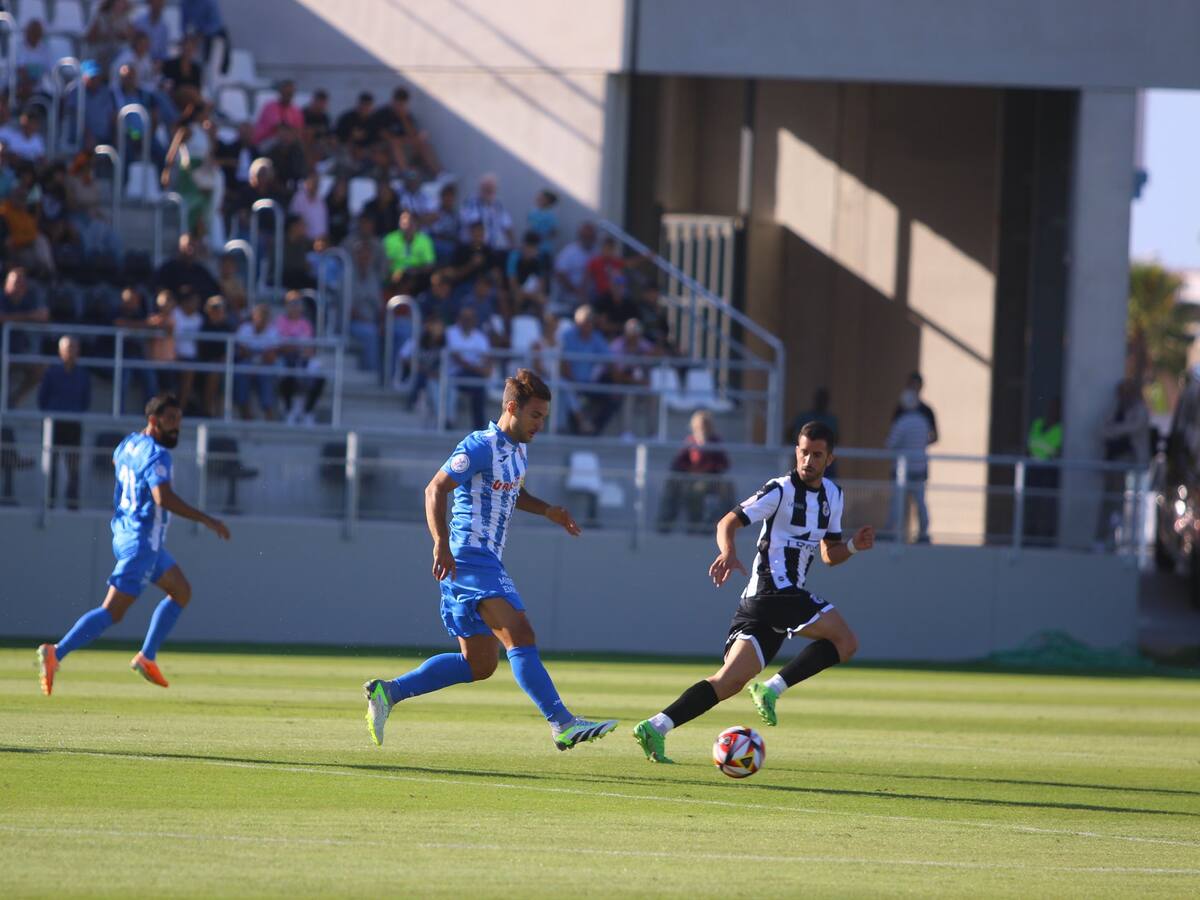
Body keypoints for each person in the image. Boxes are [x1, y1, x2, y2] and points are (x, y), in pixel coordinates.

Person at [362, 369, 616, 750]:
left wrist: (548, 511)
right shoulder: (479, 445)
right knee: (521, 633)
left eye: (544, 417)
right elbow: (435, 488)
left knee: (480, 664)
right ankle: (562, 723)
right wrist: (440, 543)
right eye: (535, 416)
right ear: (511, 408)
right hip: (467, 557)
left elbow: (513, 492)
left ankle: (388, 693)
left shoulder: (518, 450)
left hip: (484, 561)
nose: (540, 425)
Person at [632, 421, 874, 763]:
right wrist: (728, 552)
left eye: (816, 455)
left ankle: (656, 726)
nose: (808, 460)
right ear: (796, 451)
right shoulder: (780, 490)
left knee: (727, 682)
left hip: (770, 605)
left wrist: (851, 545)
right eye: (803, 452)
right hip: (772, 592)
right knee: (846, 642)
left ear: (829, 458)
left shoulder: (833, 496)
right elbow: (726, 522)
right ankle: (770, 688)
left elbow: (829, 554)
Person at [36, 393, 232, 696]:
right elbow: (162, 498)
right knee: (112, 612)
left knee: (181, 591)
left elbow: (117, 462)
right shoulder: (157, 453)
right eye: (170, 421)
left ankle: (147, 656)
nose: (176, 428)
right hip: (142, 542)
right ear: (152, 421)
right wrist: (206, 519)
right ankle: (56, 653)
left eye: (179, 421)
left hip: (127, 534)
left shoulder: (128, 443)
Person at [657, 411, 734, 533]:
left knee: (698, 491)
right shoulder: (690, 441)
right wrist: (689, 469)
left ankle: (700, 527)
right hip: (690, 478)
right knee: (671, 486)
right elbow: (678, 463)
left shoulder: (715, 442)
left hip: (710, 480)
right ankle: (665, 523)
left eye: (703, 426)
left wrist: (707, 459)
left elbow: (723, 464)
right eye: (697, 427)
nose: (700, 429)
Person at [37, 337, 92, 510]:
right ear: (60, 351)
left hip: (73, 425)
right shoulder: (51, 373)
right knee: (51, 465)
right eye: (68, 348)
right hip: (54, 426)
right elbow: (42, 399)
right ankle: (49, 502)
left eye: (74, 348)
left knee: (73, 468)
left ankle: (72, 503)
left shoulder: (83, 375)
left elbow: (86, 401)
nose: (71, 352)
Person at [1096, 379, 1150, 546]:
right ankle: (1106, 537)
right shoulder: (1116, 408)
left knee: (1125, 503)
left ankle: (1124, 540)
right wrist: (1115, 430)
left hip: (1129, 463)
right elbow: (1102, 429)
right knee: (1110, 499)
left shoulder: (1139, 410)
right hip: (1112, 461)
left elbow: (1131, 428)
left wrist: (1115, 430)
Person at [884, 388, 932, 543]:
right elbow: (928, 440)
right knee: (920, 503)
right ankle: (923, 533)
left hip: (902, 471)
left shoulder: (902, 423)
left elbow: (890, 444)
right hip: (920, 468)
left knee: (897, 503)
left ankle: (892, 533)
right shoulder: (923, 422)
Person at [445, 307, 491, 430]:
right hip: (453, 374)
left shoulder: (480, 337)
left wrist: (484, 370)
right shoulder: (450, 332)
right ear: (459, 319)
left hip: (473, 374)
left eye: (470, 318)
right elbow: (457, 358)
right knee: (477, 383)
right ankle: (450, 421)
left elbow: (487, 359)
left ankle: (479, 427)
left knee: (479, 387)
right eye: (465, 318)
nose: (467, 321)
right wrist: (478, 369)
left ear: (475, 320)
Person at [459, 173, 513, 252]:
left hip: (493, 250)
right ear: (481, 188)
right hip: (475, 248)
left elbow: (508, 226)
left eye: (491, 188)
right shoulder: (470, 203)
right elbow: (474, 229)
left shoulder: (498, 206)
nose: (489, 191)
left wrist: (512, 245)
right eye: (487, 188)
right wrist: (478, 249)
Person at [553, 221, 597, 312]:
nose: (588, 239)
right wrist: (576, 291)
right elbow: (560, 274)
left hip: (592, 298)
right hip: (570, 297)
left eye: (590, 237)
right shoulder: (569, 252)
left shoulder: (597, 252)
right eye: (585, 236)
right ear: (580, 236)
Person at [892, 371, 937, 444]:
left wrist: (918, 443)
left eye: (917, 385)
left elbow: (934, 436)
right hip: (903, 454)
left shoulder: (926, 411)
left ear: (921, 386)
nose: (914, 388)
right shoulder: (900, 410)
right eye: (912, 385)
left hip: (918, 453)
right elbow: (894, 436)